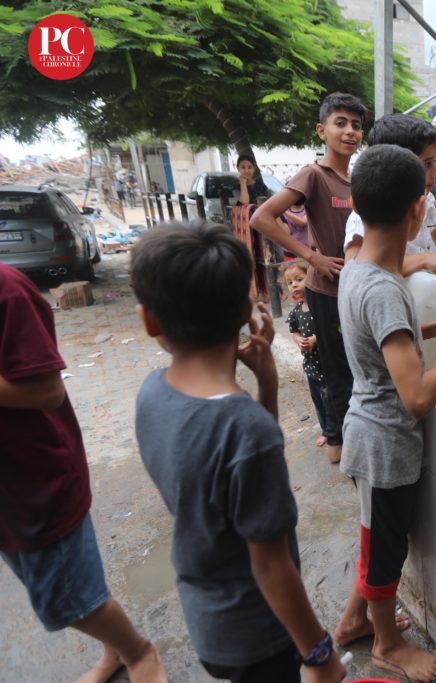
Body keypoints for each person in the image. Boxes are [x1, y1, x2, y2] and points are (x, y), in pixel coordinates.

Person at [131, 221, 345, 683]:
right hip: (260, 632)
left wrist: (266, 385)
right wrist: (319, 653)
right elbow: (270, 564)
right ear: (250, 313)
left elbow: (234, 482)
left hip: (208, 617)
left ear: (149, 321)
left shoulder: (152, 394)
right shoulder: (245, 430)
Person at [335, 144, 436, 681]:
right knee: (385, 552)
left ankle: (354, 622)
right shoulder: (384, 288)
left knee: (371, 536)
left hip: (365, 428)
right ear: (415, 209)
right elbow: (418, 397)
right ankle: (387, 647)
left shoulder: (358, 271)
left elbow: (381, 339)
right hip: (386, 443)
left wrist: (434, 329)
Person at [0, 263, 167, 683]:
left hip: (32, 477)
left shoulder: (8, 291)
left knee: (68, 598)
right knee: (73, 581)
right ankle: (117, 650)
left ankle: (138, 651)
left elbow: (46, 389)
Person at [251, 92, 367, 466]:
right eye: (340, 123)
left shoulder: (358, 179)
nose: (350, 131)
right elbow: (262, 218)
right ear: (322, 130)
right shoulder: (313, 174)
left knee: (359, 367)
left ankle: (355, 438)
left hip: (357, 288)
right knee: (336, 372)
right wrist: (312, 256)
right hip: (327, 291)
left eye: (356, 125)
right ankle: (336, 440)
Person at [344, 114, 436, 275]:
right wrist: (423, 260)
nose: (434, 173)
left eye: (434, 162)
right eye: (426, 164)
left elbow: (435, 264)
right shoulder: (369, 211)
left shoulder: (428, 200)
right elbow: (355, 268)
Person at [282, 260, 331, 448]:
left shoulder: (320, 306)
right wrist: (298, 340)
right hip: (310, 366)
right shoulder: (296, 311)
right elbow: (294, 331)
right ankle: (326, 430)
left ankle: (337, 429)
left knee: (330, 399)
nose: (294, 284)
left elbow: (330, 327)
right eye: (289, 282)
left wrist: (314, 339)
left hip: (326, 364)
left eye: (298, 279)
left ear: (311, 279)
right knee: (318, 399)